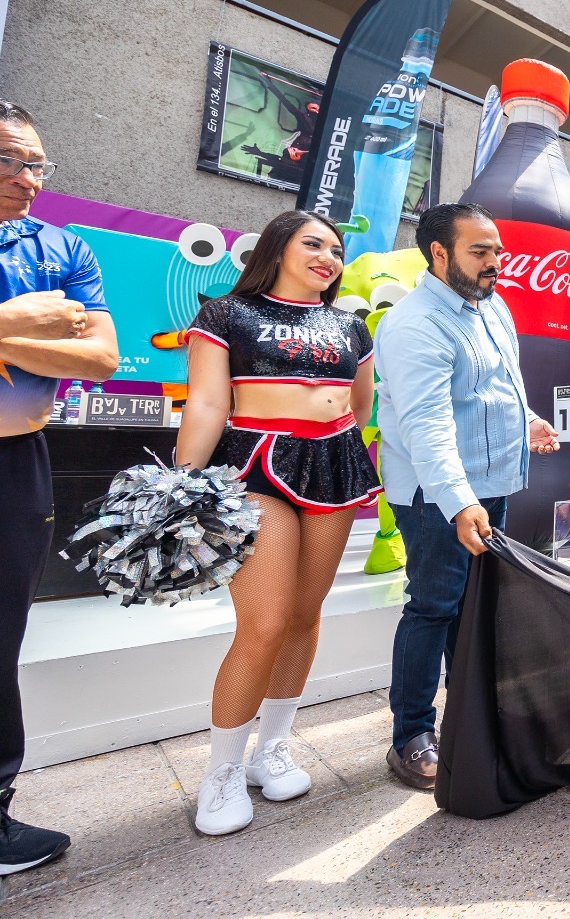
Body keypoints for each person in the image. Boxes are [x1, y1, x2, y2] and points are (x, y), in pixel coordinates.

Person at [178, 209, 382, 836]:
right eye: (313, 244)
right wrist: (180, 483)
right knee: (263, 622)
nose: (328, 258)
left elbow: (361, 401)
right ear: (277, 248)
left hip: (334, 466)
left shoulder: (351, 323)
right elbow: (210, 403)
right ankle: (220, 774)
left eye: (336, 250)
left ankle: (273, 747)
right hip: (255, 468)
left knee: (304, 614)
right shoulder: (227, 314)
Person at [376, 203, 559, 790]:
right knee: (434, 604)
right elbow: (425, 422)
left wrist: (527, 419)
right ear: (438, 253)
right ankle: (410, 735)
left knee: (476, 604)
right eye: (480, 251)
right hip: (438, 496)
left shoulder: (493, 306)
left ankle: (470, 716)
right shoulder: (413, 324)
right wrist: (459, 502)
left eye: (497, 250)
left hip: (490, 484)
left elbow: (495, 385)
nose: (494, 263)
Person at [0, 102, 117, 872]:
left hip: (19, 462)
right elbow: (56, 343)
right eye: (9, 160)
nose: (25, 179)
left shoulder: (63, 247)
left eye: (36, 164)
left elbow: (102, 358)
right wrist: (25, 325)